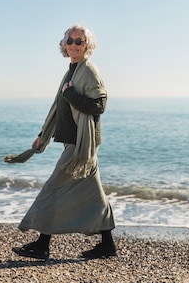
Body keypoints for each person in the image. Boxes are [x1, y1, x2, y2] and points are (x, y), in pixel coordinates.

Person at [6, 24, 116, 260]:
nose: (74, 45)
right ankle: (107, 245)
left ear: (87, 45)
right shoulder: (73, 69)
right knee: (95, 197)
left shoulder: (87, 70)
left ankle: (42, 245)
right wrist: (42, 133)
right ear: (64, 45)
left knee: (53, 190)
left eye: (80, 41)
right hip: (77, 143)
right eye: (71, 40)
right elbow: (61, 108)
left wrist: (71, 95)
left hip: (81, 145)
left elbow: (100, 105)